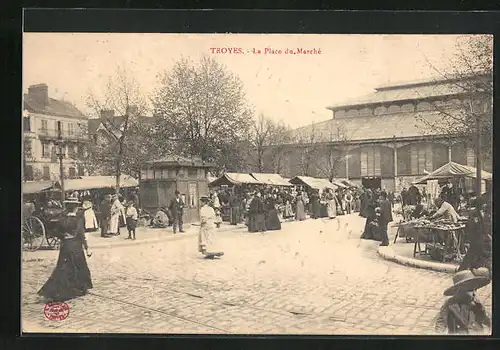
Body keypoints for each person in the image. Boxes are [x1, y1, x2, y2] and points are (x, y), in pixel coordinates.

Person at [38, 199, 93, 302]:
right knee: (79, 266)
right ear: (76, 207)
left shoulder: (62, 219)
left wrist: (64, 237)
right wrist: (87, 248)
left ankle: (57, 290)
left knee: (63, 267)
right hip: (76, 245)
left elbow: (56, 232)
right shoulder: (79, 218)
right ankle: (80, 288)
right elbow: (81, 234)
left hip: (66, 245)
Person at [434, 269, 491, 334]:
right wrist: (439, 334)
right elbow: (441, 322)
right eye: (470, 289)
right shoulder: (450, 303)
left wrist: (481, 309)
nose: (474, 292)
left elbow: (485, 320)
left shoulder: (476, 303)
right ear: (459, 290)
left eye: (475, 289)